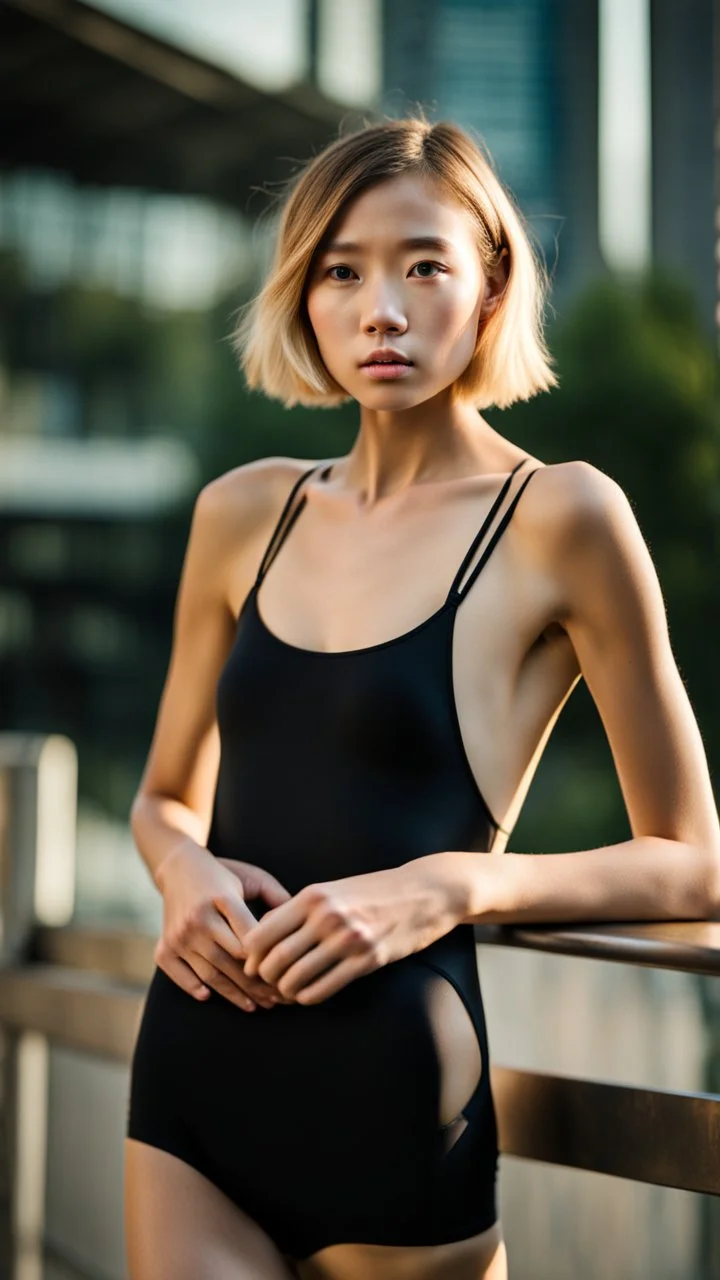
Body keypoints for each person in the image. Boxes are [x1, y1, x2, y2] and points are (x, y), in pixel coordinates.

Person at [124, 115, 720, 1280]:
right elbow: (161, 796)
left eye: (422, 264)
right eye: (341, 271)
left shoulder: (565, 518)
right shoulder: (241, 510)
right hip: (193, 1073)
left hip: (394, 1104)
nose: (379, 310)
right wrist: (180, 868)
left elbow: (698, 864)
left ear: (491, 283)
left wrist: (447, 887)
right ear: (302, 295)